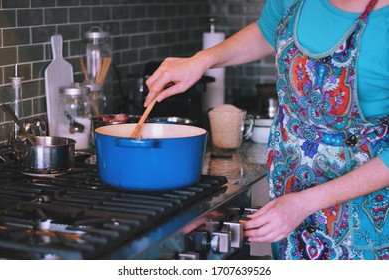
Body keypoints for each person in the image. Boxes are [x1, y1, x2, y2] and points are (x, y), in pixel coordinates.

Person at [144, 0, 389, 260]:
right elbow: (266, 32)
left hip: (361, 217)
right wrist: (203, 59)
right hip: (288, 201)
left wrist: (304, 203)